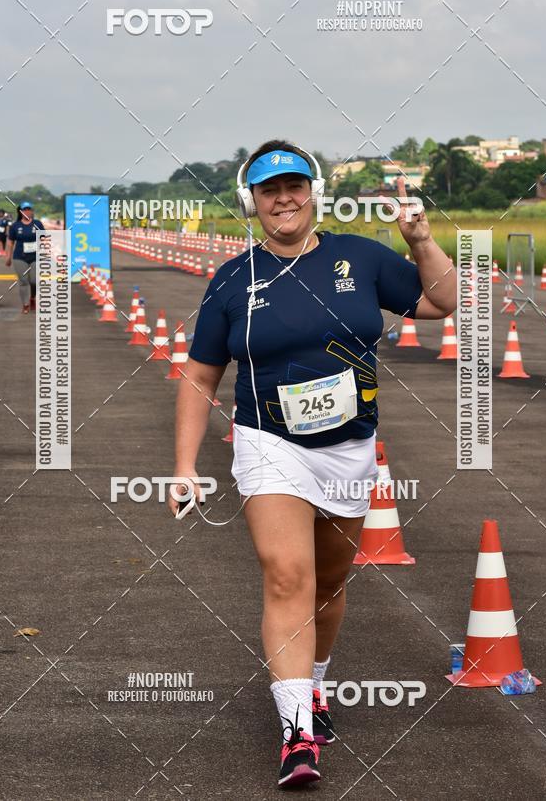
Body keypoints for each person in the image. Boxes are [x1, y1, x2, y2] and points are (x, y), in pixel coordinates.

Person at [168, 139, 457, 789]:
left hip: (350, 448)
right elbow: (199, 375)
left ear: (313, 192)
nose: (284, 198)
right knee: (286, 575)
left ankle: (316, 685)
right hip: (270, 444)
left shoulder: (360, 255)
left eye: (294, 185)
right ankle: (297, 731)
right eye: (270, 190)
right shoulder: (233, 280)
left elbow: (443, 303)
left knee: (327, 584)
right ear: (252, 202)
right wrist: (184, 464)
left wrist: (421, 242)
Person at [5, 202, 44, 313]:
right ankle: (25, 304)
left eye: (29, 209)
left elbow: (43, 239)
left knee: (34, 281)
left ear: (32, 211)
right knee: (23, 281)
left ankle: (32, 298)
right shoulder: (15, 226)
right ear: (21, 212)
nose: (27, 211)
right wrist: (8, 257)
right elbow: (10, 242)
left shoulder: (38, 224)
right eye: (24, 209)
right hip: (19, 257)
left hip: (35, 257)